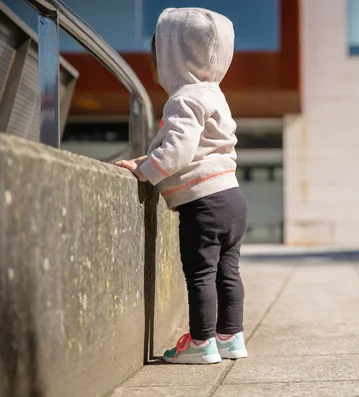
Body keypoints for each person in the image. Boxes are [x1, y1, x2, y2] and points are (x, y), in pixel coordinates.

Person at [116, 7, 247, 365]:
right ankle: (231, 337)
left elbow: (178, 150)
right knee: (227, 272)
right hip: (232, 198)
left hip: (204, 203)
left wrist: (144, 170)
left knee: (200, 274)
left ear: (174, 56)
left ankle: (203, 342)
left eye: (156, 54)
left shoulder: (185, 98)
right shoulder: (215, 94)